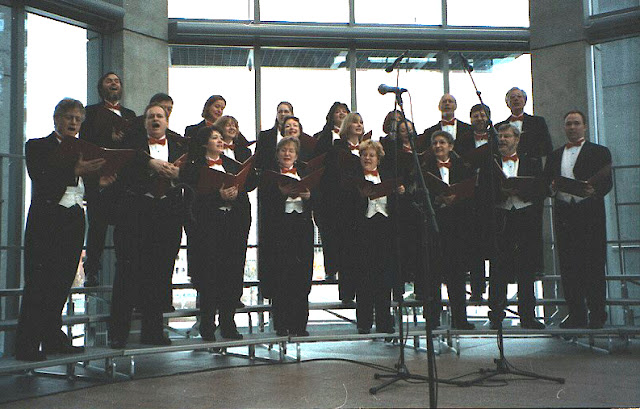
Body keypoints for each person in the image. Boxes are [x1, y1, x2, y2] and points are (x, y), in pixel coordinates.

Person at [15, 98, 115, 361]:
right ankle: (26, 345)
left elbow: (85, 189)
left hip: (73, 220)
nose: (73, 122)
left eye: (77, 119)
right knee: (38, 284)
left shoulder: (86, 149)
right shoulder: (37, 146)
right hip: (46, 221)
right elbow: (41, 177)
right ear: (56, 119)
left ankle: (52, 339)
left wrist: (100, 183)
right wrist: (74, 170)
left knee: (62, 282)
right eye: (68, 117)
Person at [109, 103, 187, 348]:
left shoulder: (179, 147)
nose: (155, 119)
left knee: (160, 274)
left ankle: (153, 332)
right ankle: (118, 335)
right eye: (151, 116)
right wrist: (148, 164)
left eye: (160, 116)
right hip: (137, 214)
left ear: (167, 121)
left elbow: (192, 177)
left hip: (167, 214)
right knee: (127, 273)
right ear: (144, 123)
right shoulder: (132, 147)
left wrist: (177, 177)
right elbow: (122, 172)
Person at [182, 125, 256, 340]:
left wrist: (235, 192)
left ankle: (228, 324)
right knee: (209, 276)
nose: (220, 141)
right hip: (208, 227)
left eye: (221, 138)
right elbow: (193, 202)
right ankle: (207, 324)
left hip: (232, 225)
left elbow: (247, 186)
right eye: (215, 138)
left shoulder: (233, 164)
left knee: (231, 275)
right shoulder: (195, 167)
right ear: (205, 143)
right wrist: (219, 196)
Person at [543, 111, 612, 329]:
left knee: (593, 264)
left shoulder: (600, 152)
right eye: (568, 124)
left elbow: (607, 183)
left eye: (576, 123)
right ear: (564, 128)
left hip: (589, 213)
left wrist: (594, 190)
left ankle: (597, 314)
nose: (572, 127)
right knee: (569, 266)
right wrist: (552, 189)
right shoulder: (554, 155)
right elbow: (546, 181)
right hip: (565, 214)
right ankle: (576, 314)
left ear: (585, 127)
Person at [482, 124, 546, 330]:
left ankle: (527, 316)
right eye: (499, 136)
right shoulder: (489, 164)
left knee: (526, 268)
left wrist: (520, 191)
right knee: (498, 268)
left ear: (517, 139)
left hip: (525, 217)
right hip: (501, 218)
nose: (502, 139)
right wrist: (502, 191)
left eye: (507, 136)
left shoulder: (531, 162)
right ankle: (496, 316)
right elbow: (483, 192)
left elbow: (540, 189)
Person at [79, 72, 136, 287]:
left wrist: (121, 141)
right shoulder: (90, 112)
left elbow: (134, 146)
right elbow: (85, 143)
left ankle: (126, 271)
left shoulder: (130, 114)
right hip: (100, 177)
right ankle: (91, 271)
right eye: (108, 80)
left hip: (123, 179)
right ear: (100, 86)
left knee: (126, 228)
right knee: (97, 226)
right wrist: (108, 138)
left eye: (117, 81)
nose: (113, 83)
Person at [260, 136, 314, 336]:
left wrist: (309, 197)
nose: (287, 154)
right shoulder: (270, 177)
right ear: (277, 154)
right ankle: (281, 324)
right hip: (280, 230)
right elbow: (264, 205)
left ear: (296, 155)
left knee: (301, 277)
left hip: (301, 227)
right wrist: (279, 193)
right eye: (283, 151)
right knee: (282, 276)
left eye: (291, 151)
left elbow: (318, 202)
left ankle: (300, 325)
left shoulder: (304, 173)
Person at [422, 131, 476, 329]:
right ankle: (433, 319)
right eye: (435, 143)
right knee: (433, 275)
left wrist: (456, 198)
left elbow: (471, 194)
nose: (438, 146)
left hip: (456, 227)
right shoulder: (424, 168)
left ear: (451, 146)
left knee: (456, 275)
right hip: (434, 227)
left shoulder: (463, 168)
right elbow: (418, 196)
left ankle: (460, 319)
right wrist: (437, 200)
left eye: (442, 142)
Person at [353, 140, 404, 334]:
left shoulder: (388, 177)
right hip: (364, 228)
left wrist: (399, 193)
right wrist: (360, 195)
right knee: (364, 277)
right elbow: (348, 209)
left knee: (384, 277)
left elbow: (395, 207)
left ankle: (384, 321)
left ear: (378, 159)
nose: (367, 158)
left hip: (384, 228)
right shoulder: (354, 179)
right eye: (364, 155)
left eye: (371, 155)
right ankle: (364, 322)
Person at [312, 102, 350, 281]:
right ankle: (331, 268)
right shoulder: (322, 137)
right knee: (328, 232)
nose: (341, 114)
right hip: (328, 191)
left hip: (348, 192)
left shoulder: (355, 137)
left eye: (344, 112)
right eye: (338, 112)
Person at [495, 87, 553, 159]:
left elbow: (547, 146)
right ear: (507, 103)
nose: (516, 99)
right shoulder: (498, 127)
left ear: (525, 101)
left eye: (519, 96)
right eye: (512, 97)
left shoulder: (538, 122)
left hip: (531, 166)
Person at [255, 101, 294, 171]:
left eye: (286, 112)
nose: (283, 114)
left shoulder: (299, 136)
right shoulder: (265, 136)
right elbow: (258, 160)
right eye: (280, 112)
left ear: (292, 114)